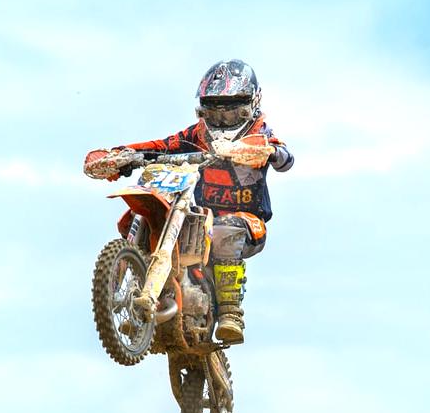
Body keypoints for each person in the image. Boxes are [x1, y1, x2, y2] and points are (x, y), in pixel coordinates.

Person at [84, 59, 294, 344]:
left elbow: (284, 157)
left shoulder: (259, 134)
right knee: (142, 213)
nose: (223, 120)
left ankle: (231, 313)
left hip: (246, 222)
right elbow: (161, 146)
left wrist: (266, 152)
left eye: (232, 112)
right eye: (215, 112)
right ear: (203, 110)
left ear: (251, 105)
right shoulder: (196, 135)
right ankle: (129, 290)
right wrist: (122, 155)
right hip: (197, 216)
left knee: (225, 229)